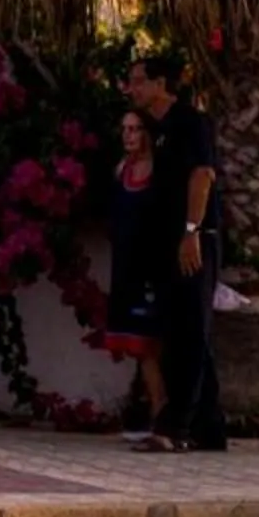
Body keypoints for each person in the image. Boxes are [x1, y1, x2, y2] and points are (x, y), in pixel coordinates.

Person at [126, 51, 225, 452]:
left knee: (188, 331)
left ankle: (175, 427)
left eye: (137, 80)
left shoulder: (190, 124)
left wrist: (191, 231)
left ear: (159, 84)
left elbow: (202, 176)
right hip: (167, 240)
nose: (131, 88)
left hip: (193, 239)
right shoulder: (155, 129)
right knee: (181, 328)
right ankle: (209, 425)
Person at [101, 107, 164, 441]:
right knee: (138, 345)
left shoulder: (158, 174)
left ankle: (160, 411)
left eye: (136, 128)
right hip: (125, 265)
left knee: (151, 344)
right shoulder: (121, 170)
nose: (128, 135)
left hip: (150, 266)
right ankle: (152, 409)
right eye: (125, 128)